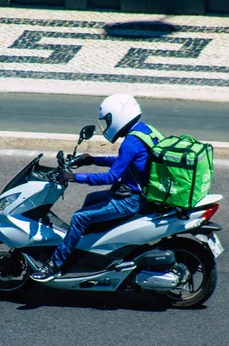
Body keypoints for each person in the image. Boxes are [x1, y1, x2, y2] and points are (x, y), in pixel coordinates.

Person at [30, 93, 163, 282]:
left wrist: (75, 177)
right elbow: (124, 162)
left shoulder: (130, 142)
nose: (106, 126)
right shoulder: (144, 131)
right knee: (92, 200)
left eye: (107, 121)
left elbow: (111, 176)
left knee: (78, 218)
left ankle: (55, 265)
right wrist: (92, 159)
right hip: (143, 192)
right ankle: (89, 251)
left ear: (118, 116)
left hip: (133, 200)